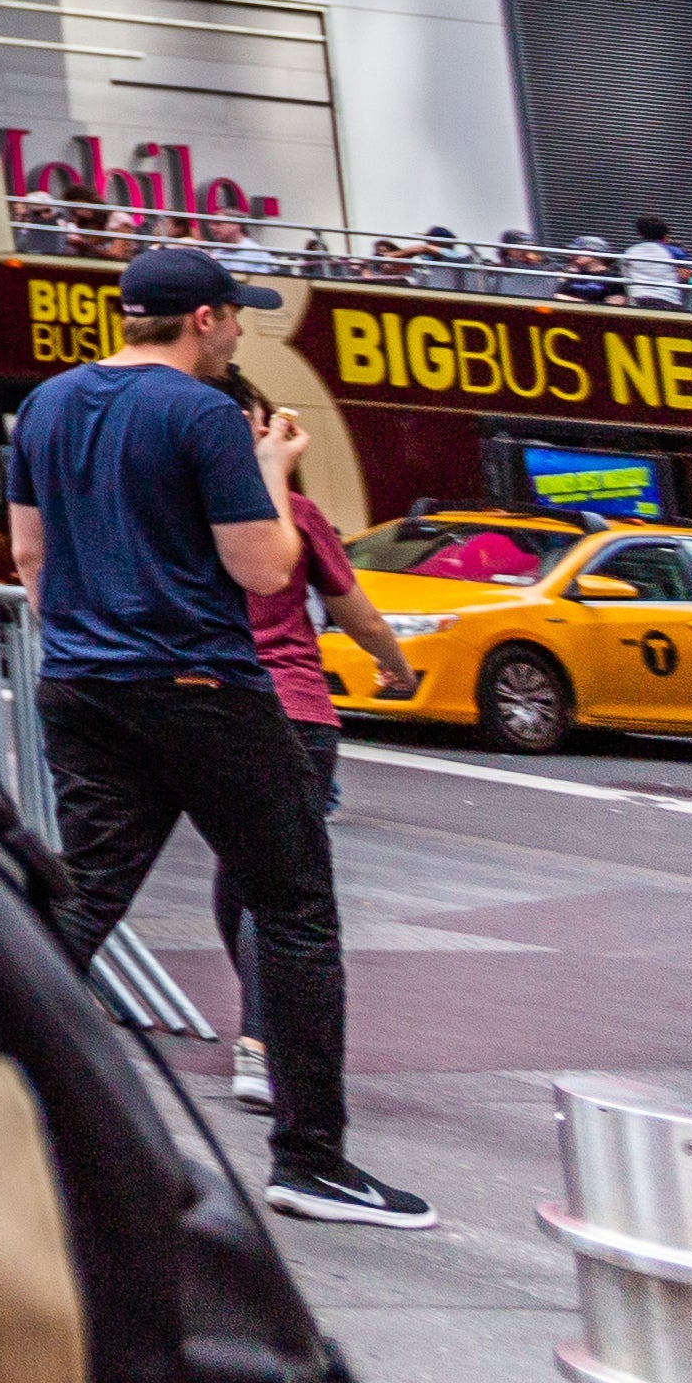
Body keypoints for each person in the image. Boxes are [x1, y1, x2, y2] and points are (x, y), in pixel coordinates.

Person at [10, 244, 431, 1228]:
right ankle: (310, 1159)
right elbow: (258, 568)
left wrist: (84, 638)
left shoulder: (45, 407)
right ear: (202, 319)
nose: (237, 329)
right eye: (233, 315)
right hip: (201, 685)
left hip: (78, 683)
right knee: (291, 910)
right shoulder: (199, 414)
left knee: (83, 898)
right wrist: (274, 472)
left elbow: (31, 557)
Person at [209, 371, 414, 1120]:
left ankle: (259, 1027)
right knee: (283, 885)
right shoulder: (293, 514)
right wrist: (397, 665)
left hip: (211, 703)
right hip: (291, 706)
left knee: (239, 876)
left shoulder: (180, 511)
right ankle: (264, 1044)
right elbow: (354, 611)